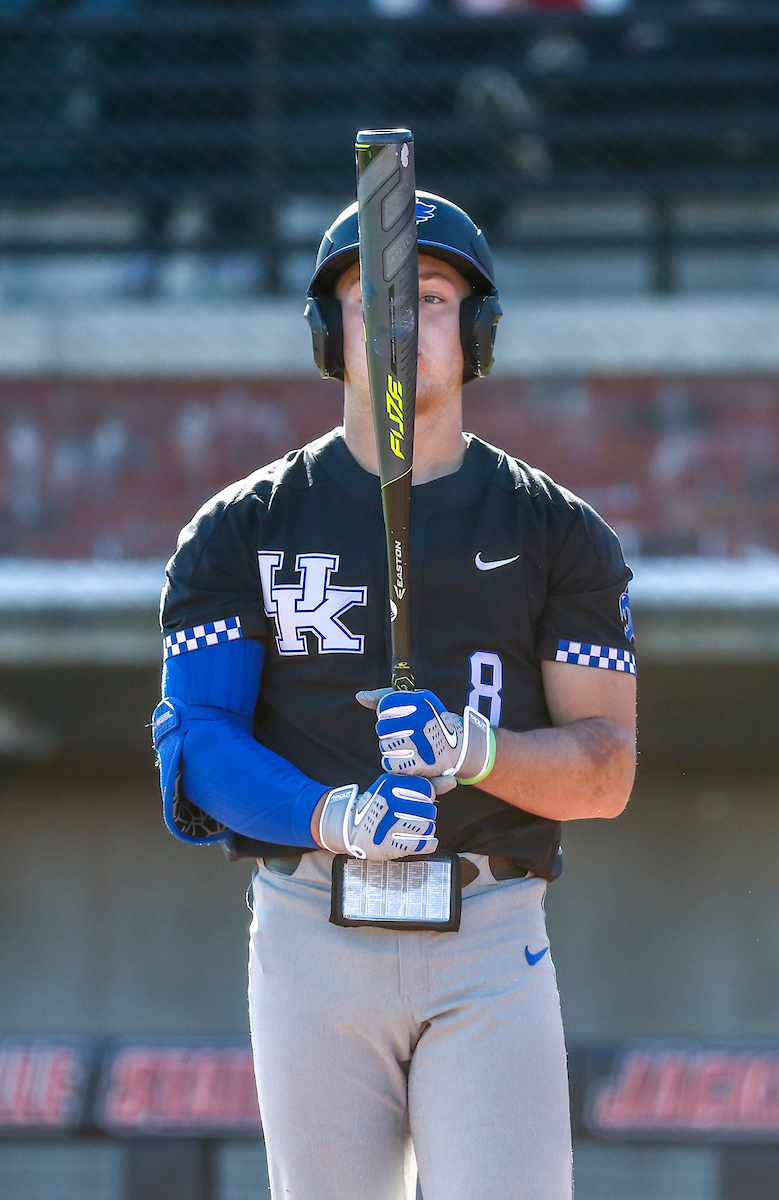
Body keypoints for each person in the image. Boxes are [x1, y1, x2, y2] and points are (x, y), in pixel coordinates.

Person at [153, 191, 637, 1200]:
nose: (401, 322)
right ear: (331, 332)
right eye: (373, 298)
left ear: (478, 329)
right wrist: (334, 816)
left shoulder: (556, 530)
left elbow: (605, 773)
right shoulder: (242, 526)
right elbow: (200, 740)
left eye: (427, 295)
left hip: (490, 928)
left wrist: (475, 749)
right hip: (308, 928)